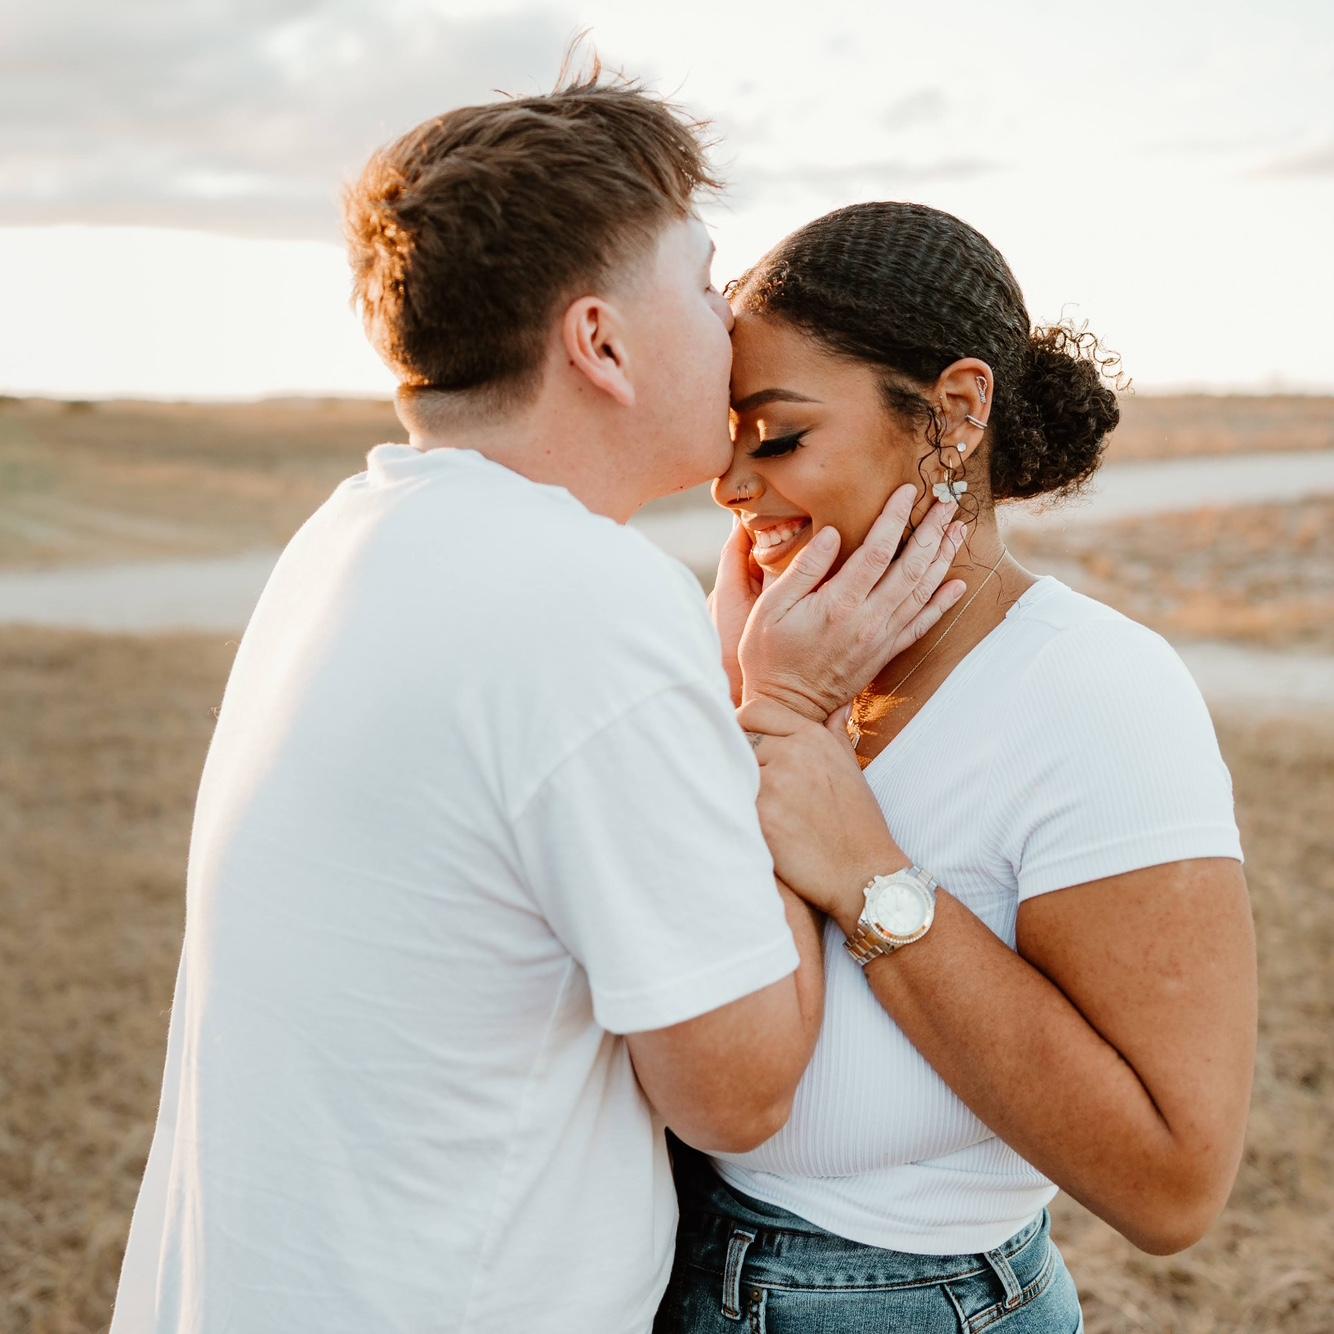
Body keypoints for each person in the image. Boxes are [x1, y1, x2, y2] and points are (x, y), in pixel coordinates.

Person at [107, 76, 966, 1334]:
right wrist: (784, 705)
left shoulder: (351, 534)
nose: (730, 326)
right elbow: (737, 1094)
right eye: (702, 283)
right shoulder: (582, 601)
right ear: (600, 343)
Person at [655, 202, 1257, 1332]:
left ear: (956, 410)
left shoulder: (1097, 692)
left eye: (775, 438)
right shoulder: (758, 652)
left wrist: (871, 876)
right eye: (726, 439)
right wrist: (746, 706)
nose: (730, 485)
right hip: (684, 1259)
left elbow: (1173, 1183)